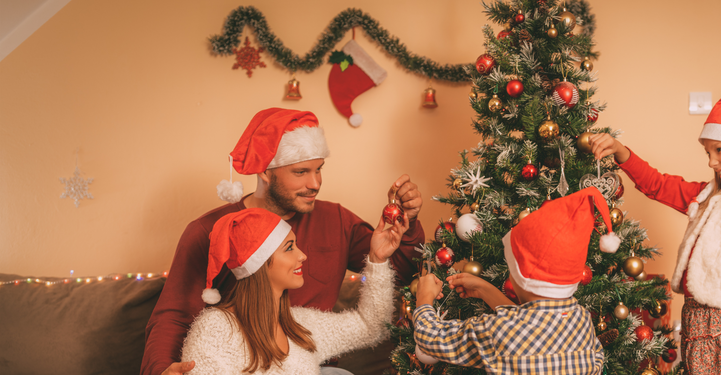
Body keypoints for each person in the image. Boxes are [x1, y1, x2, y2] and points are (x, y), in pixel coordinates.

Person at [142, 108, 426, 375]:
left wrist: (408, 227)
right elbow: (174, 317)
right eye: (301, 172)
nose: (315, 183)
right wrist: (161, 369)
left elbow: (398, 276)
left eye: (319, 169)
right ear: (266, 171)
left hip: (309, 359)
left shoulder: (336, 220)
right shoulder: (208, 232)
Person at [589, 95, 721, 375]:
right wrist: (620, 151)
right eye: (708, 153)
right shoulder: (707, 198)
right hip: (698, 340)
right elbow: (658, 185)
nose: (711, 162)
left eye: (719, 150)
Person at [413, 187, 615, 374]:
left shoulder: (496, 331)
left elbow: (430, 337)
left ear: (524, 276)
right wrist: (485, 290)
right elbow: (533, 325)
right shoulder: (581, 320)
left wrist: (424, 298)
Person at [179, 207, 404, 374]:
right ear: (260, 263)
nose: (302, 255)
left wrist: (378, 259)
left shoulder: (298, 326)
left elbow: (371, 327)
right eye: (289, 248)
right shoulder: (215, 329)